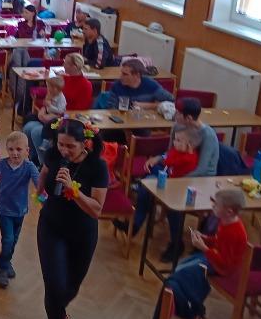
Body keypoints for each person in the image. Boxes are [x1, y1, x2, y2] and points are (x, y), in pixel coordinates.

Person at [36, 118, 109, 319]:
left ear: (84, 144)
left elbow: (97, 210)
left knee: (70, 288)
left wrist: (73, 190)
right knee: (54, 288)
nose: (64, 150)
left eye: (70, 146)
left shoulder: (97, 167)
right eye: (61, 144)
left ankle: (60, 311)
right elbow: (44, 173)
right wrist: (37, 193)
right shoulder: (54, 154)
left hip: (82, 234)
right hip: (51, 228)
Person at [151, 98, 220, 262]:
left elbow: (202, 169)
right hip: (179, 172)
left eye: (178, 113)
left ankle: (176, 244)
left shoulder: (208, 135)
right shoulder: (177, 127)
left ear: (188, 118)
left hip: (201, 179)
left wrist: (176, 182)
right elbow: (171, 153)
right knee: (148, 181)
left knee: (174, 201)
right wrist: (159, 158)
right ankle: (135, 225)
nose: (175, 115)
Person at [0, 131, 41, 288]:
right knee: (8, 239)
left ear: (27, 151)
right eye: (11, 149)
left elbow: (39, 184)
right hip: (4, 209)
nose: (15, 153)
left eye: (19, 149)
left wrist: (45, 197)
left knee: (14, 240)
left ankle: (7, 261)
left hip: (20, 210)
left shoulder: (29, 167)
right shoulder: (2, 164)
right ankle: (2, 269)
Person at [170, 187, 249, 278]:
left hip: (222, 268)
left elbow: (224, 263)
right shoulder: (225, 220)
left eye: (216, 204)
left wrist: (203, 248)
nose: (213, 206)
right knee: (180, 265)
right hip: (214, 257)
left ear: (229, 212)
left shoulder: (233, 232)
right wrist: (204, 238)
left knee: (180, 269)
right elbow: (218, 240)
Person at [93, 57, 174, 110]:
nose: (121, 77)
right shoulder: (117, 86)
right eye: (122, 73)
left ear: (137, 75)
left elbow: (172, 101)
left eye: (125, 74)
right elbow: (111, 109)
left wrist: (147, 105)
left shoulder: (151, 85)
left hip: (144, 122)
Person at [23, 76, 68, 166]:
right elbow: (45, 104)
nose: (48, 89)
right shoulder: (51, 94)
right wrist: (43, 110)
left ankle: (44, 160)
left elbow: (61, 110)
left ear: (55, 89)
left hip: (57, 118)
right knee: (28, 121)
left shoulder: (61, 98)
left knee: (41, 129)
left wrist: (49, 106)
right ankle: (32, 158)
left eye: (49, 87)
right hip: (47, 113)